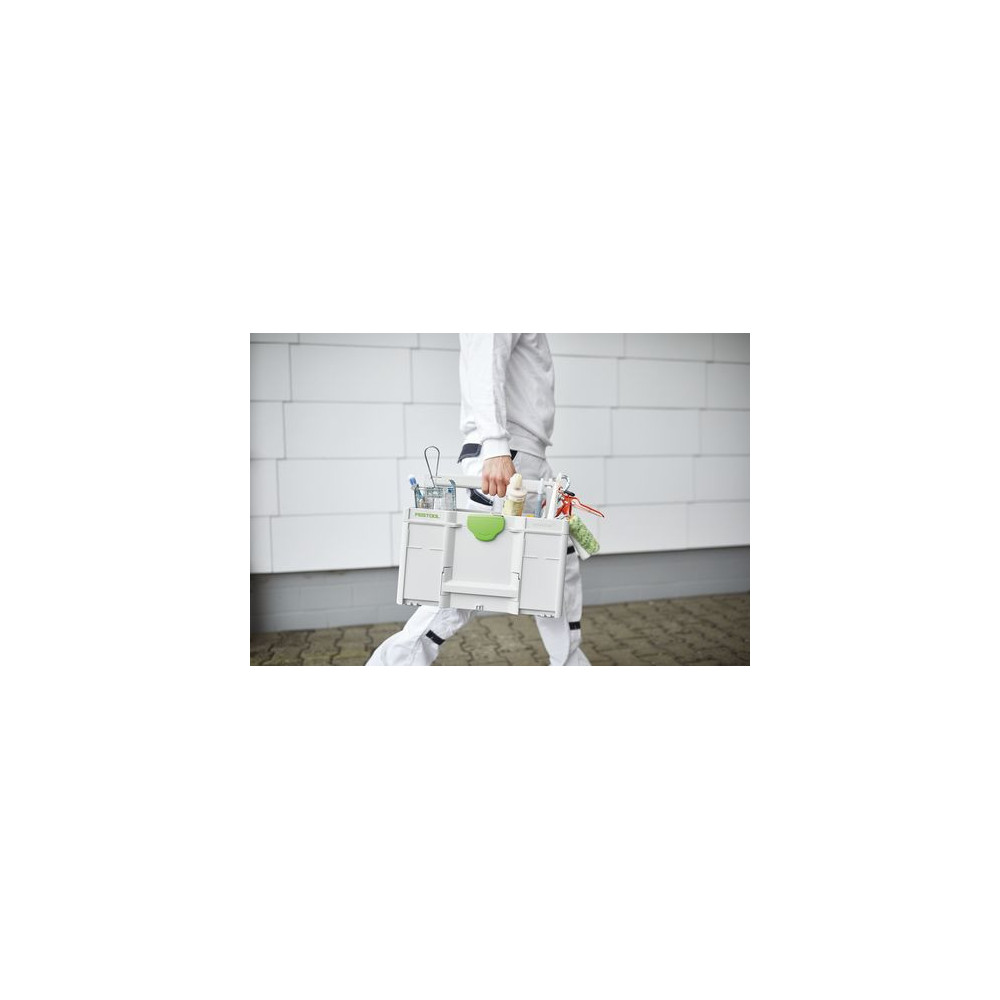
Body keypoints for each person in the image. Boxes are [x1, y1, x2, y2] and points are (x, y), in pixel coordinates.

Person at [366, 333, 591, 666]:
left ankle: (570, 663)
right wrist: (496, 447)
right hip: (508, 457)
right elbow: (485, 366)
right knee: (466, 584)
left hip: (523, 455)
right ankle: (394, 665)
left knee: (555, 570)